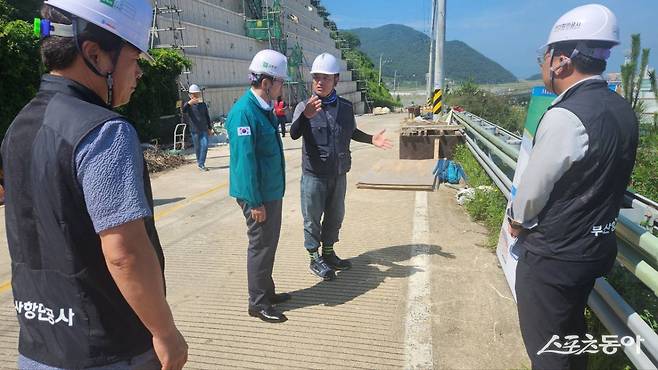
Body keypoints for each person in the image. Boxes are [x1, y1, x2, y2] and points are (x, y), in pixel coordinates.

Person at [0, 1, 188, 369]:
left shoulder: (18, 126)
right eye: (134, 60)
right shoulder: (104, 132)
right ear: (95, 54)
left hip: (38, 346)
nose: (138, 74)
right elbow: (124, 252)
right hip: (107, 347)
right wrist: (165, 332)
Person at [507, 4, 638, 369]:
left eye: (544, 57)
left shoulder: (566, 115)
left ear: (561, 61)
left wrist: (517, 219)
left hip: (554, 254)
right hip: (595, 247)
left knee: (547, 350)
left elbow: (533, 191)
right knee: (569, 338)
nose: (542, 65)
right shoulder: (621, 108)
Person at [290, 53, 393, 281]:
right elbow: (294, 134)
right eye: (316, 77)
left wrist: (370, 139)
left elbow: (351, 132)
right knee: (312, 219)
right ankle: (314, 258)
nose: (319, 82)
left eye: (325, 78)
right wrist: (305, 116)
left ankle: (328, 253)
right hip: (314, 175)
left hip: (339, 174)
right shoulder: (303, 106)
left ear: (336, 79)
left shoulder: (345, 107)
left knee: (335, 216)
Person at [225, 49, 291, 323]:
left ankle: (267, 290)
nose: (281, 87)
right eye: (280, 82)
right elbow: (245, 163)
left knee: (269, 243)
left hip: (269, 191)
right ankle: (258, 303)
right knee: (260, 245)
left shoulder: (262, 109)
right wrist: (255, 202)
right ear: (266, 82)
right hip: (258, 196)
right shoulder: (244, 113)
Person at [182, 84, 213, 171]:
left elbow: (207, 116)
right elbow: (183, 110)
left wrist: (209, 128)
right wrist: (188, 103)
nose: (195, 96)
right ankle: (200, 164)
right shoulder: (188, 105)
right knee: (198, 147)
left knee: (205, 145)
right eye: (193, 94)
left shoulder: (203, 105)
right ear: (190, 95)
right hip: (194, 130)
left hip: (203, 129)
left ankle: (201, 163)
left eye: (196, 94)